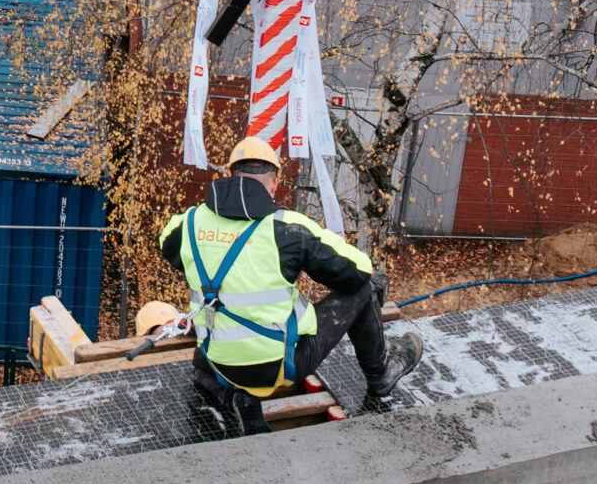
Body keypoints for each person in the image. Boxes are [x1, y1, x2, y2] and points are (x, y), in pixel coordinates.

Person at [159, 137, 425, 440]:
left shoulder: (189, 223)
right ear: (273, 185)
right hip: (279, 367)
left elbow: (167, 246)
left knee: (215, 326)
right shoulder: (289, 228)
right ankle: (381, 374)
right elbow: (357, 271)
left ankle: (235, 397)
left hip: (217, 361)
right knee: (364, 289)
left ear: (231, 176)